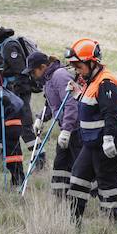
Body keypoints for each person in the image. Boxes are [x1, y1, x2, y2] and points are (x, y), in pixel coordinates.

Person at [64, 38, 117, 222]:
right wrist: (78, 95)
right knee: (78, 176)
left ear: (92, 62)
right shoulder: (91, 81)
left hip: (108, 139)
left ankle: (113, 225)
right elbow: (93, 107)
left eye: (79, 66)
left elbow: (110, 113)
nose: (77, 70)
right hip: (93, 141)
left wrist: (109, 139)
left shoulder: (106, 82)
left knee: (107, 181)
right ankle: (74, 223)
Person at [0, 18, 43, 168]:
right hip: (10, 91)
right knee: (6, 125)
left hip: (18, 92)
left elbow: (21, 71)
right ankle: (4, 159)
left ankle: (40, 160)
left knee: (25, 126)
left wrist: (16, 96)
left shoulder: (9, 46)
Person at [23, 52, 82, 198]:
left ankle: (93, 197)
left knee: (82, 166)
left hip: (78, 129)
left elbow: (70, 103)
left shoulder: (60, 76)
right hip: (67, 128)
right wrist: (40, 119)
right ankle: (59, 197)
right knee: (60, 164)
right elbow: (53, 104)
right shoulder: (48, 79)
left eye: (33, 71)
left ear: (43, 67)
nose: (32, 75)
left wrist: (67, 130)